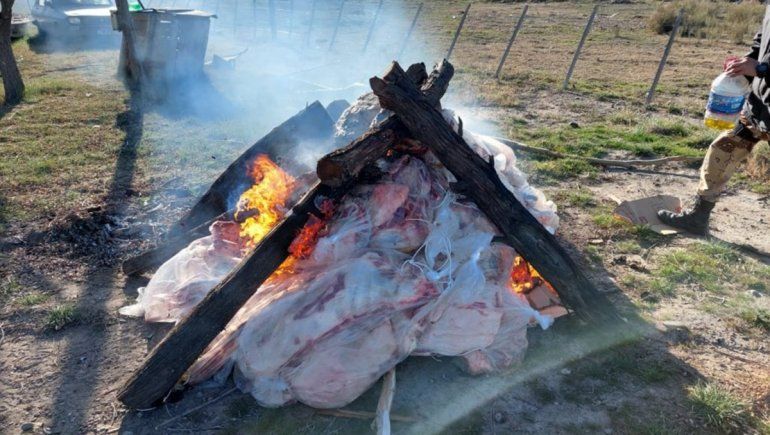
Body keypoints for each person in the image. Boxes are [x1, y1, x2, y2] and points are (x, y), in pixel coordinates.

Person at [658, 16, 770, 235]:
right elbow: (762, 42)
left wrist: (762, 70)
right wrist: (743, 67)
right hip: (759, 107)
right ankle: (698, 218)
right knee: (722, 149)